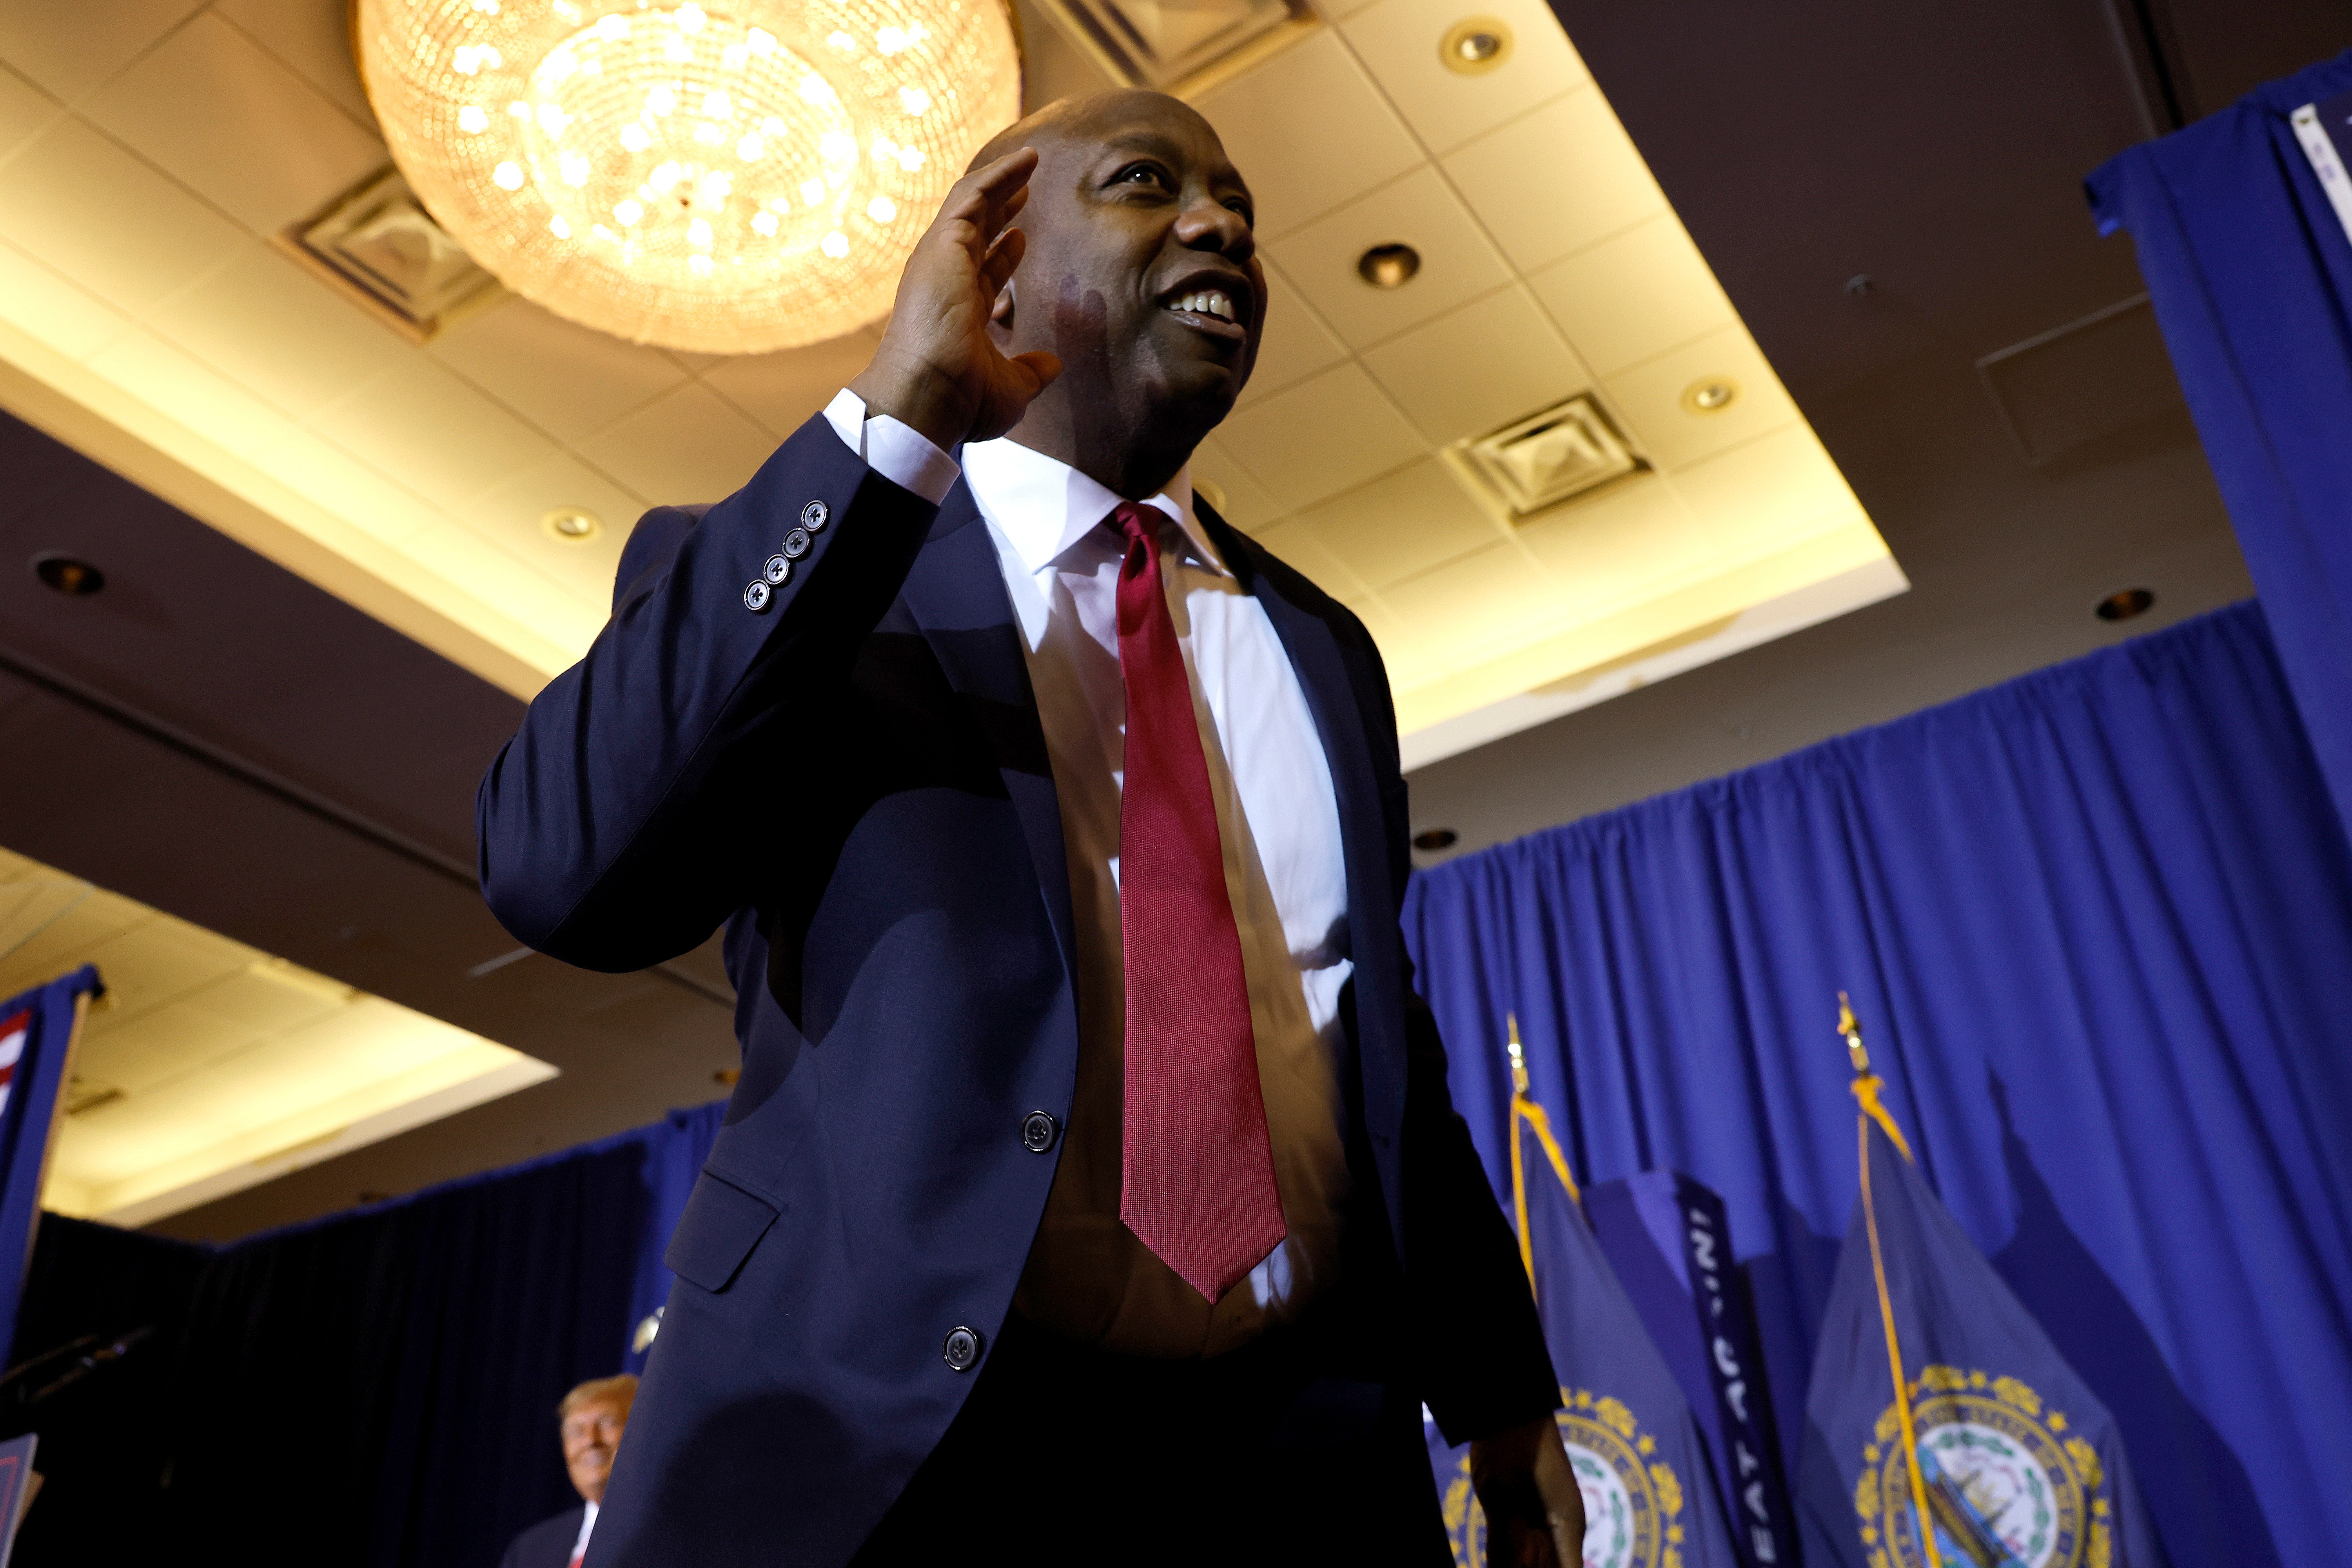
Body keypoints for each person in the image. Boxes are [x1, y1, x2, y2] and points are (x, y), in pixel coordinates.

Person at [477, 88, 1584, 1566]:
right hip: (902, 1457)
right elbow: (558, 872)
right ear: (992, 266)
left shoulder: (1323, 647)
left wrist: (1500, 1394)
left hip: (1299, 1463)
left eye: (1240, 207)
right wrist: (892, 421)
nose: (1220, 225)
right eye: (1147, 183)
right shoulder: (822, 578)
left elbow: (1374, 1044)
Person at [499, 1375, 637, 1568]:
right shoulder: (529, 1550)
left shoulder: (671, 1530)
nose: (590, 1441)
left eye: (608, 1423)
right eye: (577, 1432)